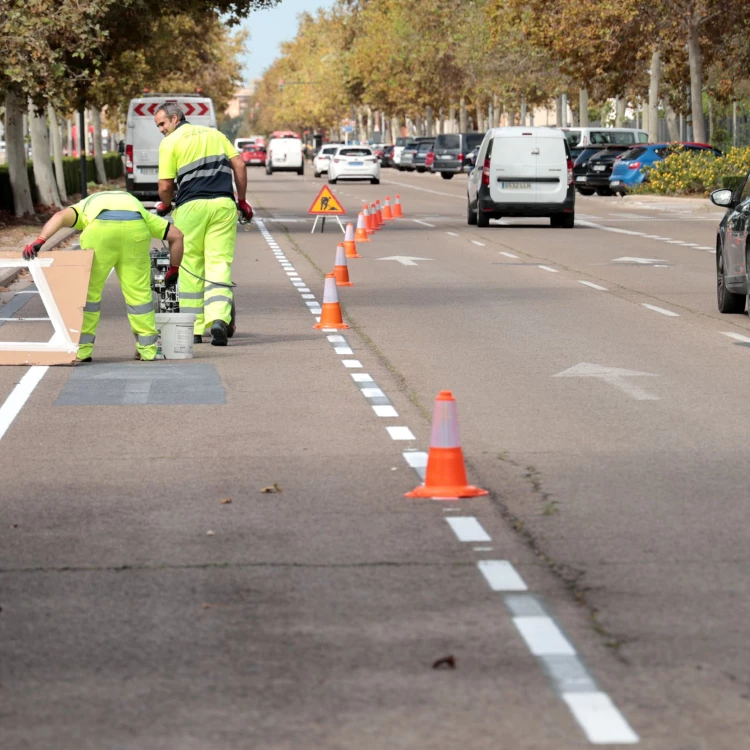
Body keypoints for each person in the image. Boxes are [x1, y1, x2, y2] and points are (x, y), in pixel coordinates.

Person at [22, 191, 184, 363]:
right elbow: (177, 236)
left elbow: (60, 216)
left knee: (89, 295)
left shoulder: (84, 206)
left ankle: (83, 351)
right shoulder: (137, 208)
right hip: (136, 229)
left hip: (100, 232)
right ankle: (147, 351)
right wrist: (174, 268)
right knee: (139, 296)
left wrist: (40, 240)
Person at [154, 102, 253, 346]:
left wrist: (165, 205)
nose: (161, 129)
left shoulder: (170, 143)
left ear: (175, 119)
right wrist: (242, 200)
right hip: (223, 205)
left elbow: (166, 186)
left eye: (162, 123)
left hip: (190, 208)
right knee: (219, 262)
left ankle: (194, 328)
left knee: (190, 266)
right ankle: (218, 320)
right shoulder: (216, 134)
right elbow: (239, 164)